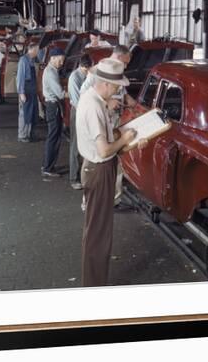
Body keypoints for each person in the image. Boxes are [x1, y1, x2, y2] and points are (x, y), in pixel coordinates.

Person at [76, 58, 147, 287]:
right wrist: (125, 139)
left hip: (94, 167)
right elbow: (105, 149)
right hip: (99, 170)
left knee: (97, 230)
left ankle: (94, 282)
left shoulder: (91, 99)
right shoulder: (95, 107)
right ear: (106, 83)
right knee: (99, 233)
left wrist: (128, 140)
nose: (118, 91)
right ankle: (94, 287)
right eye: (117, 87)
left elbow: (108, 140)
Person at [80, 45, 138, 204]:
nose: (126, 66)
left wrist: (128, 100)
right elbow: (83, 94)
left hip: (111, 119)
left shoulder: (116, 72)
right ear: (119, 57)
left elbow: (121, 92)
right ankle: (91, 199)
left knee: (114, 160)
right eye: (125, 62)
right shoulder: (99, 71)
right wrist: (105, 103)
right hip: (100, 121)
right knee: (98, 155)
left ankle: (113, 198)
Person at [67, 54, 92, 190]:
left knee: (85, 145)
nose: (87, 72)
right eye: (85, 70)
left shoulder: (87, 75)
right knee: (76, 145)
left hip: (86, 112)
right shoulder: (74, 78)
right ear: (81, 66)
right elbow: (77, 102)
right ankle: (73, 178)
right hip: (78, 112)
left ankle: (84, 176)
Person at [41, 47, 66, 178]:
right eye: (60, 60)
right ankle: (48, 168)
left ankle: (47, 164)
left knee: (53, 137)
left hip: (52, 106)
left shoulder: (52, 70)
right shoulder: (51, 72)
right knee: (53, 138)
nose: (61, 63)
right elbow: (60, 94)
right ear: (53, 58)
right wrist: (71, 93)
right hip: (53, 106)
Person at [16, 42, 39, 142]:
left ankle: (29, 134)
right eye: (37, 50)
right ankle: (22, 135)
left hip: (32, 89)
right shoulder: (23, 60)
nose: (37, 52)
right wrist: (21, 93)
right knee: (24, 113)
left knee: (32, 113)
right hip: (26, 88)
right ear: (32, 49)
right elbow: (20, 77)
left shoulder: (32, 60)